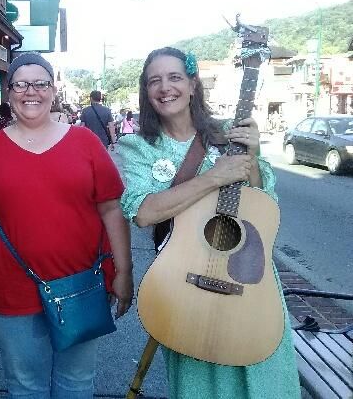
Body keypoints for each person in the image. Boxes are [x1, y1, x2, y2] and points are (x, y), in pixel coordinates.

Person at [118, 47, 301, 398]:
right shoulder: (139, 147)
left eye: (175, 77)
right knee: (199, 383)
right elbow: (144, 213)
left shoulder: (230, 134)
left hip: (249, 278)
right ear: (146, 91)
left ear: (192, 85)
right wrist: (213, 178)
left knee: (264, 384)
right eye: (155, 81)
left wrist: (252, 158)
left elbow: (265, 205)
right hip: (185, 283)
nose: (165, 87)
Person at [0, 52, 133, 398]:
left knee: (76, 382)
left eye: (40, 83)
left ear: (53, 91)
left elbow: (113, 209)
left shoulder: (86, 143)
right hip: (8, 290)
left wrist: (124, 272)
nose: (30, 91)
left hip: (80, 285)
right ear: (9, 93)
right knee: (25, 385)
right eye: (20, 84)